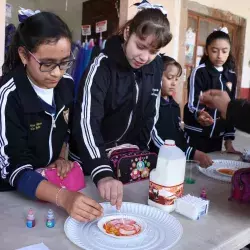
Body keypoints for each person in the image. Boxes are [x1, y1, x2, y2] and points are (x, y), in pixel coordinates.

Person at [0, 10, 103, 222]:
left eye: (64, 62)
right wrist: (63, 198)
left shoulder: (66, 85)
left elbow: (63, 132)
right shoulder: (8, 95)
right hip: (10, 197)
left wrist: (59, 158)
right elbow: (14, 167)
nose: (57, 73)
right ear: (24, 55)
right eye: (47, 64)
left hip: (48, 188)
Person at [69, 7, 172, 209]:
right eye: (140, 46)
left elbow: (151, 115)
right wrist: (102, 170)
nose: (144, 57)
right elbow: (86, 122)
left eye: (153, 51)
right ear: (127, 33)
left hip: (127, 162)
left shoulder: (155, 66)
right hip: (91, 162)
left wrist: (141, 154)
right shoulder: (102, 66)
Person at [150, 55, 212, 168]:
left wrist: (188, 150)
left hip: (175, 160)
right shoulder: (152, 103)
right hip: (158, 161)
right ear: (156, 76)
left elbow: (179, 134)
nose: (174, 83)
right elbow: (153, 135)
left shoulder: (175, 105)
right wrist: (176, 153)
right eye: (169, 78)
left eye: (176, 79)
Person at [184, 27, 239, 153]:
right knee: (192, 167)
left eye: (225, 51)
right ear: (207, 51)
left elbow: (231, 108)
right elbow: (192, 103)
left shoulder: (231, 76)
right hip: (197, 133)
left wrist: (228, 140)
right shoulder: (199, 72)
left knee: (211, 167)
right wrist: (199, 114)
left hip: (217, 135)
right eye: (214, 50)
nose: (220, 55)